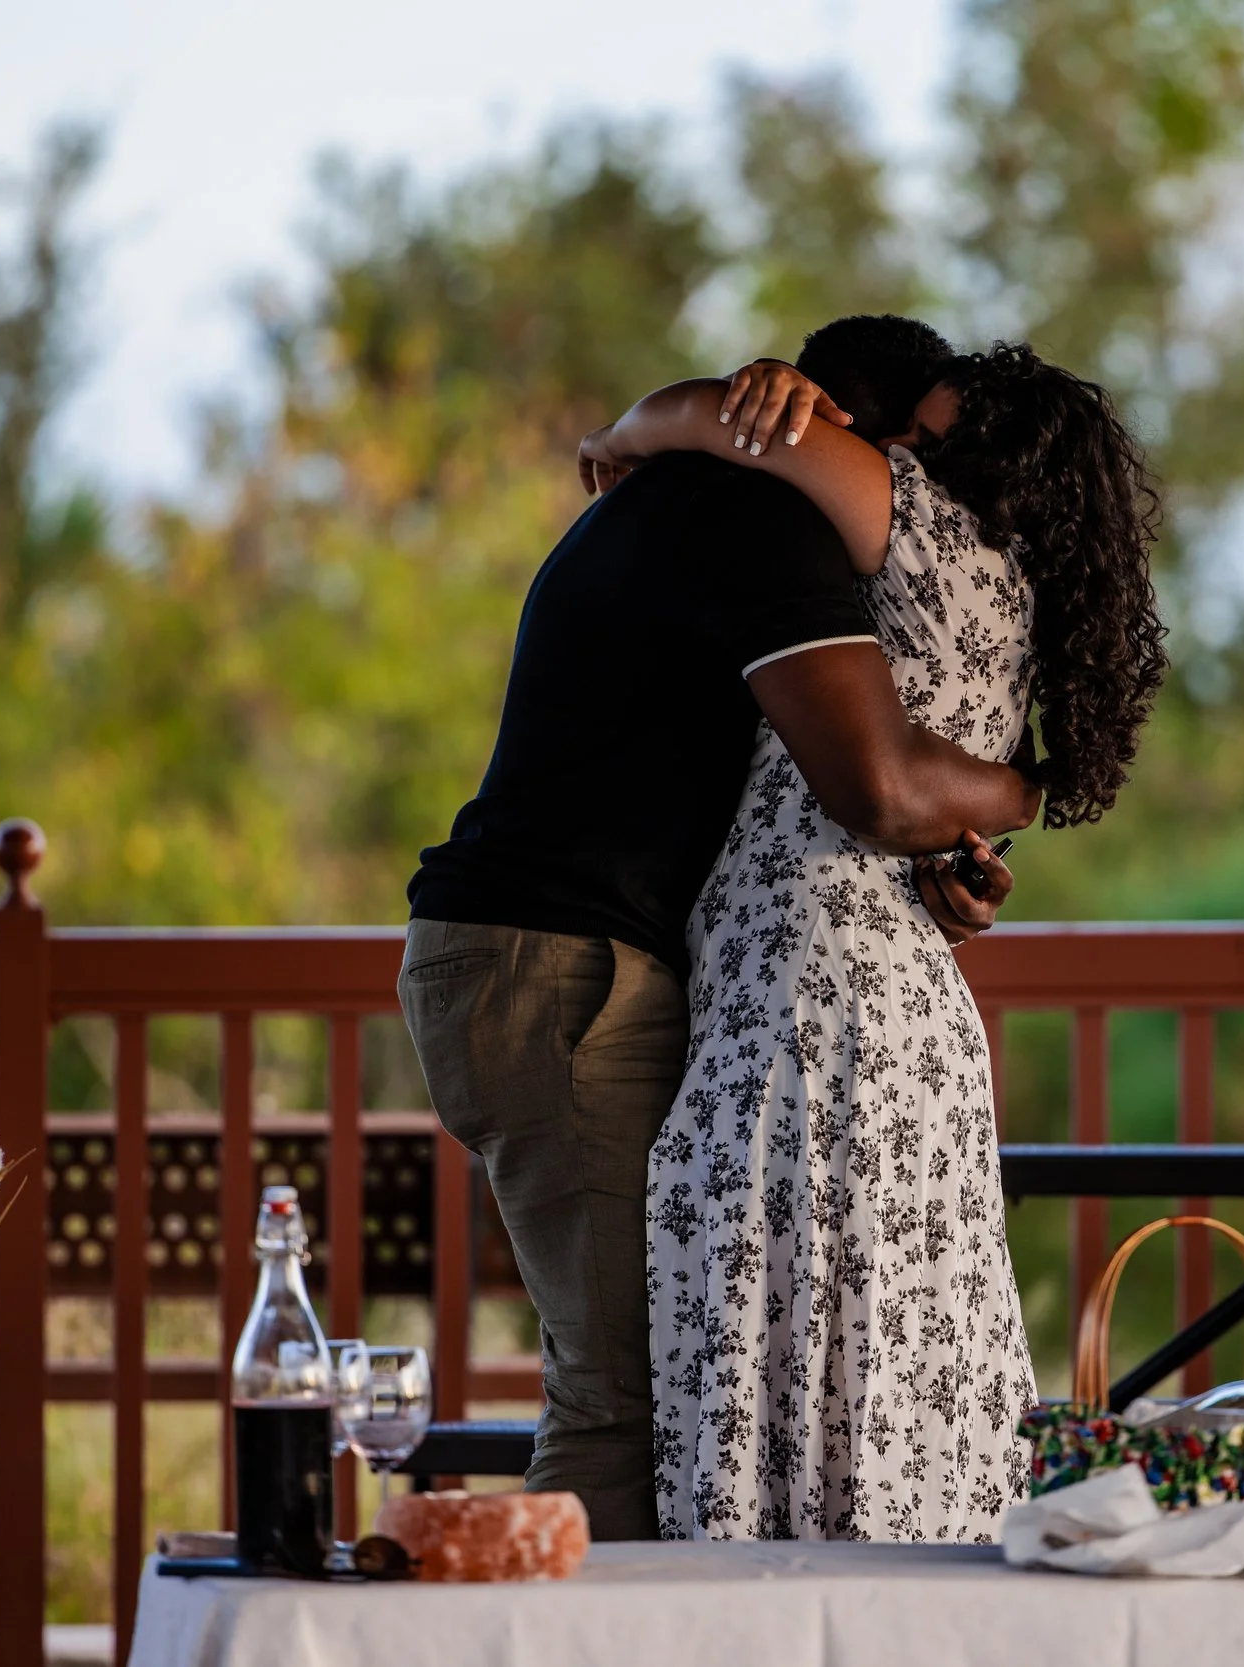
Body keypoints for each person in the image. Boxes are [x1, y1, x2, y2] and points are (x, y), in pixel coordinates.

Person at [400, 316, 1036, 1542]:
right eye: (923, 467)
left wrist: (942, 883)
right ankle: (565, 1632)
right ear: (854, 443)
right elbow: (877, 787)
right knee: (628, 1405)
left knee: (648, 1385)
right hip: (562, 967)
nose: (932, 509)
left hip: (536, 955)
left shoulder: (707, 498)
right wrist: (1037, 786)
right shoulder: (758, 519)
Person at [578, 338, 1167, 1540]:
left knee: (772, 1342)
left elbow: (723, 419)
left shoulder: (919, 518)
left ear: (986, 466)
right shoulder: (1016, 595)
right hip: (904, 1010)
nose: (892, 446)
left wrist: (616, 435)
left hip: (806, 997)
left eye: (926, 438)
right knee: (893, 1370)